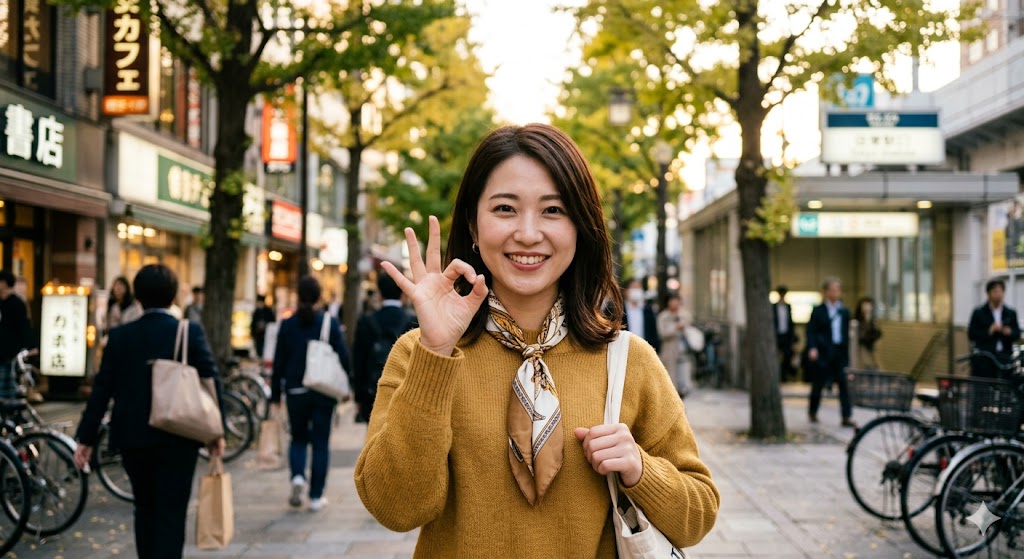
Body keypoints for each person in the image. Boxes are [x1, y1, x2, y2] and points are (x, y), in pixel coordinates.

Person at [354, 124, 718, 556]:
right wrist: (435, 352)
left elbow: (698, 515)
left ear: (581, 226)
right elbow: (396, 509)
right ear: (473, 224)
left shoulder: (628, 359)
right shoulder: (420, 355)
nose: (528, 233)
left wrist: (640, 470)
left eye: (553, 210)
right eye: (505, 208)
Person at [72, 264, 224, 559]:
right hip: (180, 435)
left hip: (133, 437)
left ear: (138, 297)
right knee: (172, 511)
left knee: (144, 507)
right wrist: (217, 432)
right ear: (172, 296)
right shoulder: (188, 332)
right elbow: (210, 381)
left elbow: (102, 389)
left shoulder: (120, 336)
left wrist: (86, 437)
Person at [270, 276, 350, 512]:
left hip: (295, 390)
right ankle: (316, 496)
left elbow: (278, 363)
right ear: (318, 296)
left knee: (298, 438)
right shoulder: (328, 322)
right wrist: (348, 385)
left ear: (298, 295)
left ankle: (297, 476)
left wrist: (275, 395)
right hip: (322, 390)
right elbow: (343, 357)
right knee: (320, 443)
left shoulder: (287, 324)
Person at [352, 273, 415, 423]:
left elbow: (358, 360)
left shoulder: (366, 321)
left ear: (380, 294)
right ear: (402, 294)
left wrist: (358, 396)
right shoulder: (413, 321)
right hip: (404, 391)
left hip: (372, 391)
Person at [805, 277, 855, 428]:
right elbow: (811, 331)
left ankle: (846, 416)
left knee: (843, 384)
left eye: (838, 290)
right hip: (823, 351)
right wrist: (812, 347)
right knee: (818, 383)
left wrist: (847, 359)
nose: (835, 293)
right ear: (826, 292)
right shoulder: (818, 310)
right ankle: (813, 412)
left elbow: (846, 335)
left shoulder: (844, 311)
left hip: (839, 351)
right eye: (832, 290)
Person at [968, 279, 1021, 379]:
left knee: (1005, 384)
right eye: (995, 291)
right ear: (988, 294)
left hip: (1005, 357)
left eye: (1000, 291)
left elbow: (1017, 334)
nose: (998, 294)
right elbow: (971, 334)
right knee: (985, 384)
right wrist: (989, 331)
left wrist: (1009, 332)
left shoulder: (1010, 312)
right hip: (985, 358)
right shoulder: (979, 312)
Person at [0, 270, 32, 400]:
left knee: (6, 386)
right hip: (4, 351)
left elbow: (24, 326)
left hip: (9, 352)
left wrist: (26, 346)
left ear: (4, 283)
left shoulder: (17, 304)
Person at [656, 292, 694, 398]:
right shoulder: (663, 317)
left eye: (677, 301)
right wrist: (676, 328)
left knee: (685, 380)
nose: (675, 303)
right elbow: (662, 333)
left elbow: (690, 329)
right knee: (670, 380)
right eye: (672, 301)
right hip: (669, 352)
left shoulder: (685, 315)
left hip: (684, 352)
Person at [622, 278, 661, 352]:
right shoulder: (618, 310)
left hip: (644, 351)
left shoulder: (648, 310)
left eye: (638, 287)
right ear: (626, 291)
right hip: (624, 351)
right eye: (633, 287)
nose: (636, 290)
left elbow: (653, 332)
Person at [773, 286, 798, 382]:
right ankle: (777, 375)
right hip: (777, 336)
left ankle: (783, 375)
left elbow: (791, 323)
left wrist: (793, 339)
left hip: (786, 336)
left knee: (788, 355)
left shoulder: (788, 307)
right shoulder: (774, 307)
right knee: (776, 355)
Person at [854, 296, 882, 369]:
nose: (867, 307)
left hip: (873, 348)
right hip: (861, 348)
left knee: (875, 366)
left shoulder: (874, 320)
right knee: (864, 366)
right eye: (865, 305)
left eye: (869, 305)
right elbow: (859, 335)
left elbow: (878, 333)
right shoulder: (857, 320)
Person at [250, 294, 276, 360]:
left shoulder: (268, 311)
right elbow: (253, 323)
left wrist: (265, 325)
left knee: (265, 348)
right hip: (258, 334)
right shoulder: (256, 311)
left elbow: (272, 322)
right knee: (259, 349)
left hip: (266, 334)